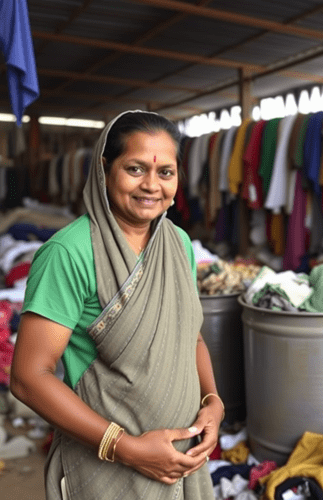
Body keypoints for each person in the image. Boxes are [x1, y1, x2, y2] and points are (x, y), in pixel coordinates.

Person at [10, 110, 223, 500]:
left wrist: (213, 402)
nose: (151, 186)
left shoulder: (178, 245)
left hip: (180, 463)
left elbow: (188, 339)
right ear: (105, 169)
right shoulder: (69, 253)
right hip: (106, 469)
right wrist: (126, 448)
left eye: (165, 173)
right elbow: (28, 377)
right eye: (135, 169)